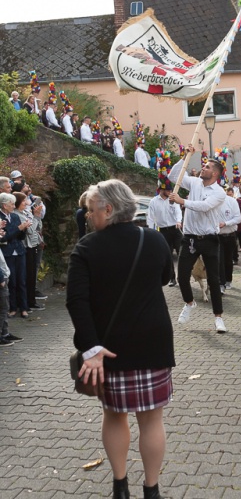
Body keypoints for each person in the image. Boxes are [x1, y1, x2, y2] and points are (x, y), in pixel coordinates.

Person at [66, 179, 174, 499]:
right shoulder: (154, 240)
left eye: (90, 210)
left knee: (114, 416)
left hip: (107, 348)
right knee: (152, 419)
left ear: (108, 209)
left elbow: (76, 302)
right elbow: (165, 278)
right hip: (153, 343)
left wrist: (91, 349)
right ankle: (152, 489)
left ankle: (120, 486)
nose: (87, 216)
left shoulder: (86, 248)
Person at [169, 144, 227, 333]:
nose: (204, 167)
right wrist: (185, 157)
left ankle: (218, 317)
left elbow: (204, 206)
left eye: (208, 167)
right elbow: (173, 177)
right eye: (204, 165)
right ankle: (189, 302)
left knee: (214, 280)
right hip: (191, 238)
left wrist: (182, 201)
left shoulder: (219, 193)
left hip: (209, 239)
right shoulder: (194, 182)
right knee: (182, 276)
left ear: (215, 174)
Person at [0, 193, 31, 318]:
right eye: (11, 204)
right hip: (7, 252)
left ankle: (24, 308)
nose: (14, 206)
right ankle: (12, 308)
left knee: (22, 280)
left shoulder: (15, 216)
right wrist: (19, 228)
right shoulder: (1, 218)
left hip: (19, 251)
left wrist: (24, 229)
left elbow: (21, 237)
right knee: (11, 281)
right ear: (4, 205)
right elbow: (4, 237)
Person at [13, 192, 45, 312]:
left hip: (33, 245)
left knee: (32, 274)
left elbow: (38, 227)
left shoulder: (25, 213)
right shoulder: (18, 215)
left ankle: (31, 301)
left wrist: (36, 217)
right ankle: (28, 302)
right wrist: (35, 216)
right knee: (28, 275)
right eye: (24, 199)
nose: (27, 201)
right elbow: (30, 230)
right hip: (27, 246)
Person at [147, 184, 182, 287]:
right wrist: (150, 232)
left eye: (171, 190)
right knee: (168, 255)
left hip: (175, 229)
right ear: (162, 190)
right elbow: (150, 218)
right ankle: (172, 278)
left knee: (181, 253)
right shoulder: (153, 201)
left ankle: (182, 277)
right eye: (168, 190)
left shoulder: (173, 199)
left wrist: (179, 221)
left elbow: (178, 211)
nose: (170, 191)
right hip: (163, 231)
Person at [0, 237, 23, 346]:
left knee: (4, 307)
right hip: (2, 279)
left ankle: (5, 333)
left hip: (4, 276)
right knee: (3, 308)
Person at [218, 187, 241, 293]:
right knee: (220, 260)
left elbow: (238, 218)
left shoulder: (232, 202)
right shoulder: (213, 202)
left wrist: (225, 223)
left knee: (228, 260)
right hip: (218, 236)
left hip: (230, 235)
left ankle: (228, 280)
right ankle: (221, 284)